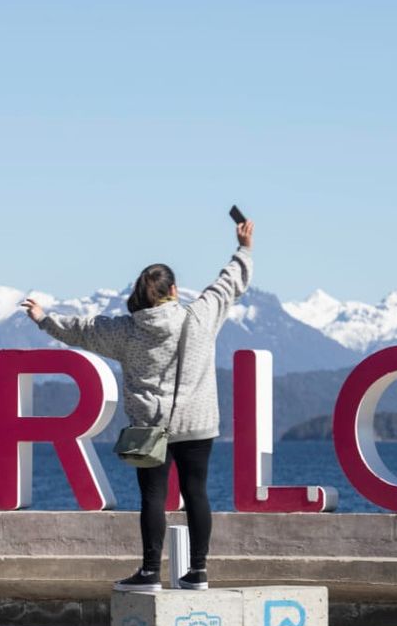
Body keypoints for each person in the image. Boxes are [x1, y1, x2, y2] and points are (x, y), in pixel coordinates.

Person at [21, 219, 253, 592]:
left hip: (149, 428)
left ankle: (149, 572)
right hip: (197, 423)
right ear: (174, 291)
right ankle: (198, 572)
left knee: (152, 497)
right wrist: (243, 249)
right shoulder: (199, 316)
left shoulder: (126, 331)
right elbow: (229, 284)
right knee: (197, 492)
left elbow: (82, 329)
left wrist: (44, 319)